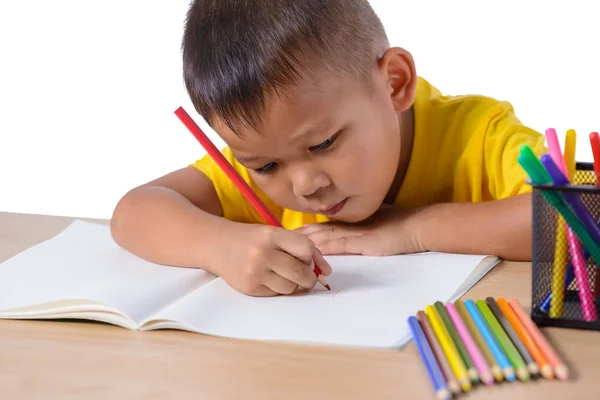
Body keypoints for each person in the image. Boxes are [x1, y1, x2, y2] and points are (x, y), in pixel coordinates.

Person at [110, 0, 546, 297]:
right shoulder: (262, 155)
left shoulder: (478, 135)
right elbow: (135, 211)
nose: (305, 185)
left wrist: (412, 229)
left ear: (395, 82)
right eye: (265, 166)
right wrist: (219, 245)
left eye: (323, 143)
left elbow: (579, 219)